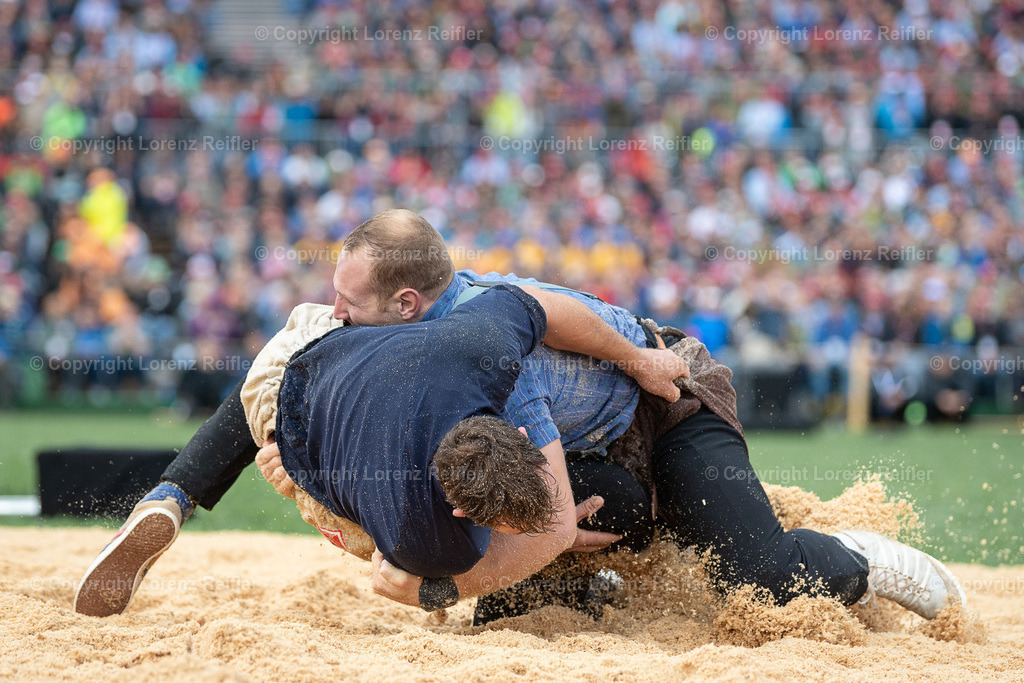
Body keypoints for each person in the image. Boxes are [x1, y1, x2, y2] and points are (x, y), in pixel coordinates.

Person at [75, 209, 965, 622]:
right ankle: (170, 496)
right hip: (583, 446)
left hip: (664, 400)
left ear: (411, 303)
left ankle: (863, 557)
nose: (334, 316)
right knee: (519, 590)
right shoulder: (410, 346)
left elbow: (540, 313)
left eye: (349, 303)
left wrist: (436, 580)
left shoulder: (483, 349)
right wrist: (319, 486)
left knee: (756, 575)